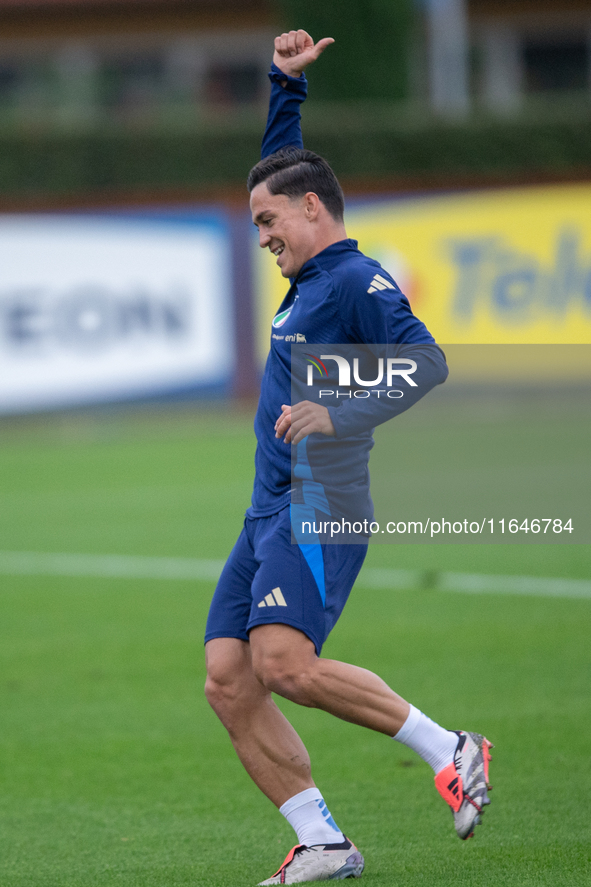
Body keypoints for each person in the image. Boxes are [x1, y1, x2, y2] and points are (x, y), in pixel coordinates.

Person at [204, 30, 493, 885]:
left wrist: (336, 406)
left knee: (283, 664)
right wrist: (282, 86)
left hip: (320, 499)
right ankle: (323, 840)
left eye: (268, 221)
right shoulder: (305, 277)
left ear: (311, 213)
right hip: (267, 507)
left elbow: (427, 360)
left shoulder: (357, 281)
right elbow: (278, 173)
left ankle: (452, 747)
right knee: (229, 677)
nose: (261, 234)